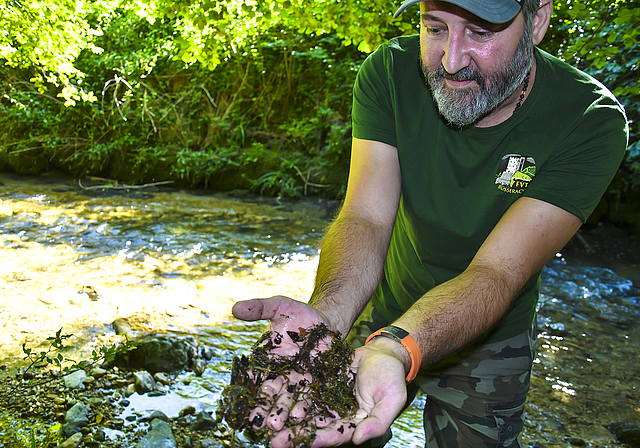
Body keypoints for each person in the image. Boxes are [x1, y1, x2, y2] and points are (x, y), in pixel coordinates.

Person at [231, 0, 629, 446]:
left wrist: (399, 347)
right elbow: (366, 219)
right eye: (434, 27)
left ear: (536, 20)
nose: (451, 60)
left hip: (492, 342)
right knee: (329, 430)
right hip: (388, 306)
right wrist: (324, 325)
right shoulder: (390, 73)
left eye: (480, 33)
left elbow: (497, 271)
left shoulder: (590, 120)